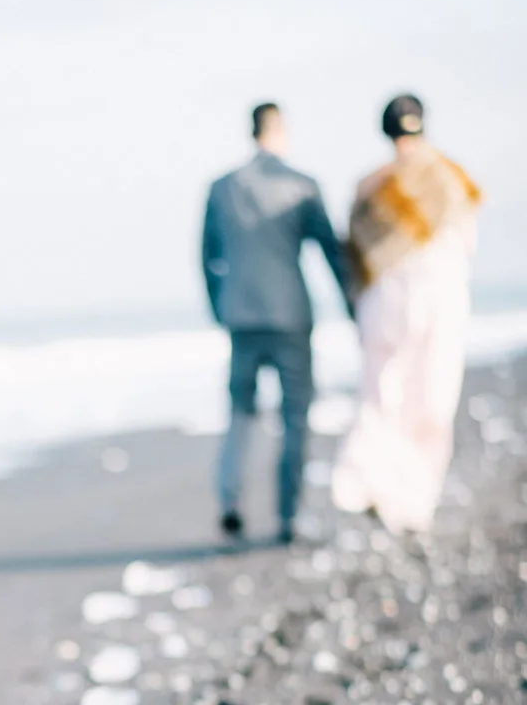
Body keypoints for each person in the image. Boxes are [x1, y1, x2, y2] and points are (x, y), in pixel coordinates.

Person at [331, 94, 481, 534]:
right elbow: (466, 243)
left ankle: (381, 488)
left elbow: (355, 255)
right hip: (434, 298)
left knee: (387, 393)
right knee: (427, 396)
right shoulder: (448, 175)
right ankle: (405, 497)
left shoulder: (369, 186)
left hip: (388, 302)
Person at [202, 102, 351, 543]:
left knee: (240, 412)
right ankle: (288, 517)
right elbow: (332, 252)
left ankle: (231, 501)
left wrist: (220, 307)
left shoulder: (222, 188)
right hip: (290, 318)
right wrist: (354, 307)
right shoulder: (302, 187)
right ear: (280, 131)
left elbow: (208, 258)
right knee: (295, 417)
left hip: (241, 318)